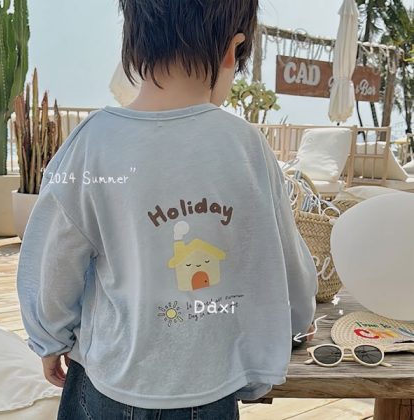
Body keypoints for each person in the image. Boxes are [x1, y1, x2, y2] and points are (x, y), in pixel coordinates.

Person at [16, 1, 317, 419]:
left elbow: (52, 260)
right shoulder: (247, 147)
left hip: (109, 379)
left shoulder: (92, 144)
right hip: (209, 387)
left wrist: (49, 338)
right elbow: (284, 260)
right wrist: (298, 317)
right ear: (232, 51)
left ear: (132, 43)